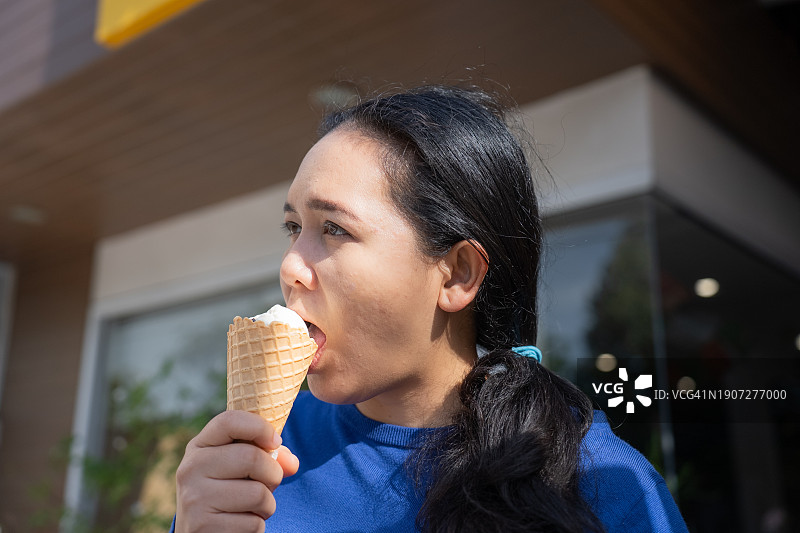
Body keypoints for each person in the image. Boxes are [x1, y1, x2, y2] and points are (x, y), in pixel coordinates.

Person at [173, 85, 688, 532]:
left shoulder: (604, 486)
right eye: (294, 228)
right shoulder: (251, 459)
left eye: (335, 229)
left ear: (458, 273)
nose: (290, 267)